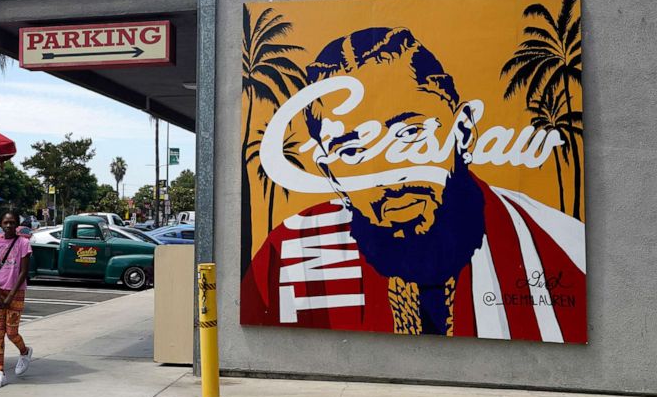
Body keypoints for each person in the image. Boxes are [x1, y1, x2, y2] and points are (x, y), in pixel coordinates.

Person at [243, 27, 586, 342]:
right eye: (351, 151)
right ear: (330, 173)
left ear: (463, 132)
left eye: (410, 134)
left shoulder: (561, 248)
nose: (391, 178)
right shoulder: (287, 255)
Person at [0, 210, 34, 388]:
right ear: (1, 224)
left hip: (16, 292)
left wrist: (10, 296)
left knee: (11, 332)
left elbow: (23, 272)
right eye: (5, 223)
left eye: (12, 222)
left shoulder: (23, 243)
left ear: (17, 225)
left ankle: (25, 351)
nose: (8, 226)